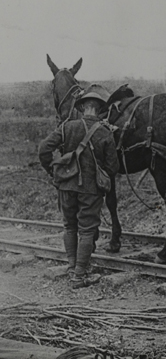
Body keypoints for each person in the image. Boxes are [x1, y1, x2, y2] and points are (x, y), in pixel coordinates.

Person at [39, 84, 119, 289]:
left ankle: (72, 267)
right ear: (99, 109)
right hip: (90, 190)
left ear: (82, 108)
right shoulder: (105, 133)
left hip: (65, 186)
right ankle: (79, 276)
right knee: (86, 230)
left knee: (69, 226)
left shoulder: (66, 127)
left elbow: (44, 149)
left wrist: (53, 171)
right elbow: (113, 167)